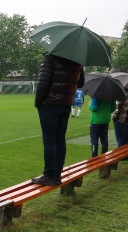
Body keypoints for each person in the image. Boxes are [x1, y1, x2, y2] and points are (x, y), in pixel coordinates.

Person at [32, 52, 85, 186]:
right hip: (66, 104)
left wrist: (38, 103)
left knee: (49, 140)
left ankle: (49, 175)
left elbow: (42, 83)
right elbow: (81, 82)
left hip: (49, 105)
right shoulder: (77, 58)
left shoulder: (50, 57)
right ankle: (56, 175)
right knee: (60, 139)